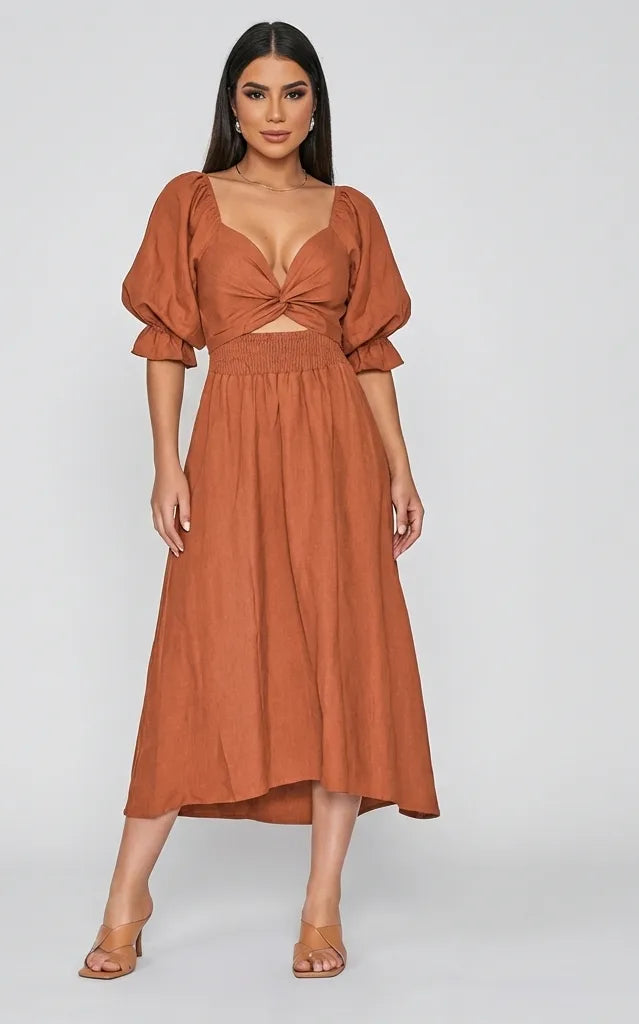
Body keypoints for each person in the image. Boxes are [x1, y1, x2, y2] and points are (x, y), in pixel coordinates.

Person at [78, 20, 440, 981]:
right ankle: (126, 898)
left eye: (293, 92)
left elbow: (369, 353)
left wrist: (400, 469)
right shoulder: (190, 200)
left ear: (316, 105)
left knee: (339, 658)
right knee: (201, 652)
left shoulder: (350, 210)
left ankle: (321, 906)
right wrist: (167, 464)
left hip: (337, 448)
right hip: (232, 440)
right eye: (256, 92)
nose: (275, 112)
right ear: (231, 105)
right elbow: (166, 342)